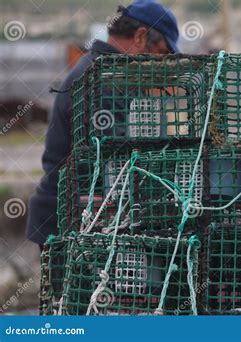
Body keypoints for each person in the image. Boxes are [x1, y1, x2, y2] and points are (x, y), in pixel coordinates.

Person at [27, 1, 180, 247]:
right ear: (141, 37)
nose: (160, 64)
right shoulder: (103, 79)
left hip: (71, 216)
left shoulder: (100, 68)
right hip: (67, 223)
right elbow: (116, 159)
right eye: (161, 54)